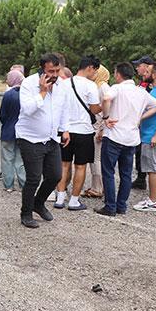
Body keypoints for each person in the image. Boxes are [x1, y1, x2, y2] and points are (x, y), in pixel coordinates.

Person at [96, 62, 156, 216]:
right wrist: (140, 117)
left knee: (108, 172)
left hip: (114, 135)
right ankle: (121, 206)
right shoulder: (141, 92)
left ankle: (110, 206)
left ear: (118, 74)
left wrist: (106, 117)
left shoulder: (117, 88)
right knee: (126, 174)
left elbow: (106, 98)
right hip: (132, 137)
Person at [16, 53, 68, 228]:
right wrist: (43, 92)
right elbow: (28, 109)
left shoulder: (61, 85)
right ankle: (26, 213)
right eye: (50, 71)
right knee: (33, 178)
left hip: (51, 138)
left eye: (57, 70)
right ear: (42, 69)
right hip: (30, 138)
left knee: (55, 175)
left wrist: (65, 129)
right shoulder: (29, 83)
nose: (54, 75)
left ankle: (38, 203)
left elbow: (62, 108)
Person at [53, 56, 102, 210]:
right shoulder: (90, 86)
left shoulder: (63, 84)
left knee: (64, 164)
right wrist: (104, 107)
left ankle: (60, 197)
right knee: (80, 166)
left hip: (65, 130)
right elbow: (94, 109)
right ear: (90, 68)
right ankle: (74, 200)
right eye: (95, 71)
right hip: (83, 131)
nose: (95, 74)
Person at [134, 63, 156, 212]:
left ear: (154, 75)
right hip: (148, 135)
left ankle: (154, 201)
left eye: (147, 72)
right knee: (151, 168)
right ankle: (155, 197)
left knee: (154, 168)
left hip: (154, 137)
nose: (144, 73)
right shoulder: (155, 90)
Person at [84, 65, 111, 198]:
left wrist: (101, 129)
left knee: (96, 159)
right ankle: (100, 186)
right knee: (96, 159)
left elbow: (106, 110)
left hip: (98, 127)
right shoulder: (101, 86)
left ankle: (97, 187)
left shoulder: (101, 87)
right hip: (98, 126)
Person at [0, 69, 26, 192]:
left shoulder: (8, 95)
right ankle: (24, 184)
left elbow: (2, 116)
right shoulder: (27, 94)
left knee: (7, 159)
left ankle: (9, 185)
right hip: (23, 133)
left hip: (8, 131)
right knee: (21, 159)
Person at [131, 56, 155, 190]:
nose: (137, 68)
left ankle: (155, 186)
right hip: (141, 124)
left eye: (139, 65)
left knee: (150, 157)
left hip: (149, 123)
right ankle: (141, 178)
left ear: (146, 66)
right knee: (140, 152)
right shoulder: (142, 82)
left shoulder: (152, 84)